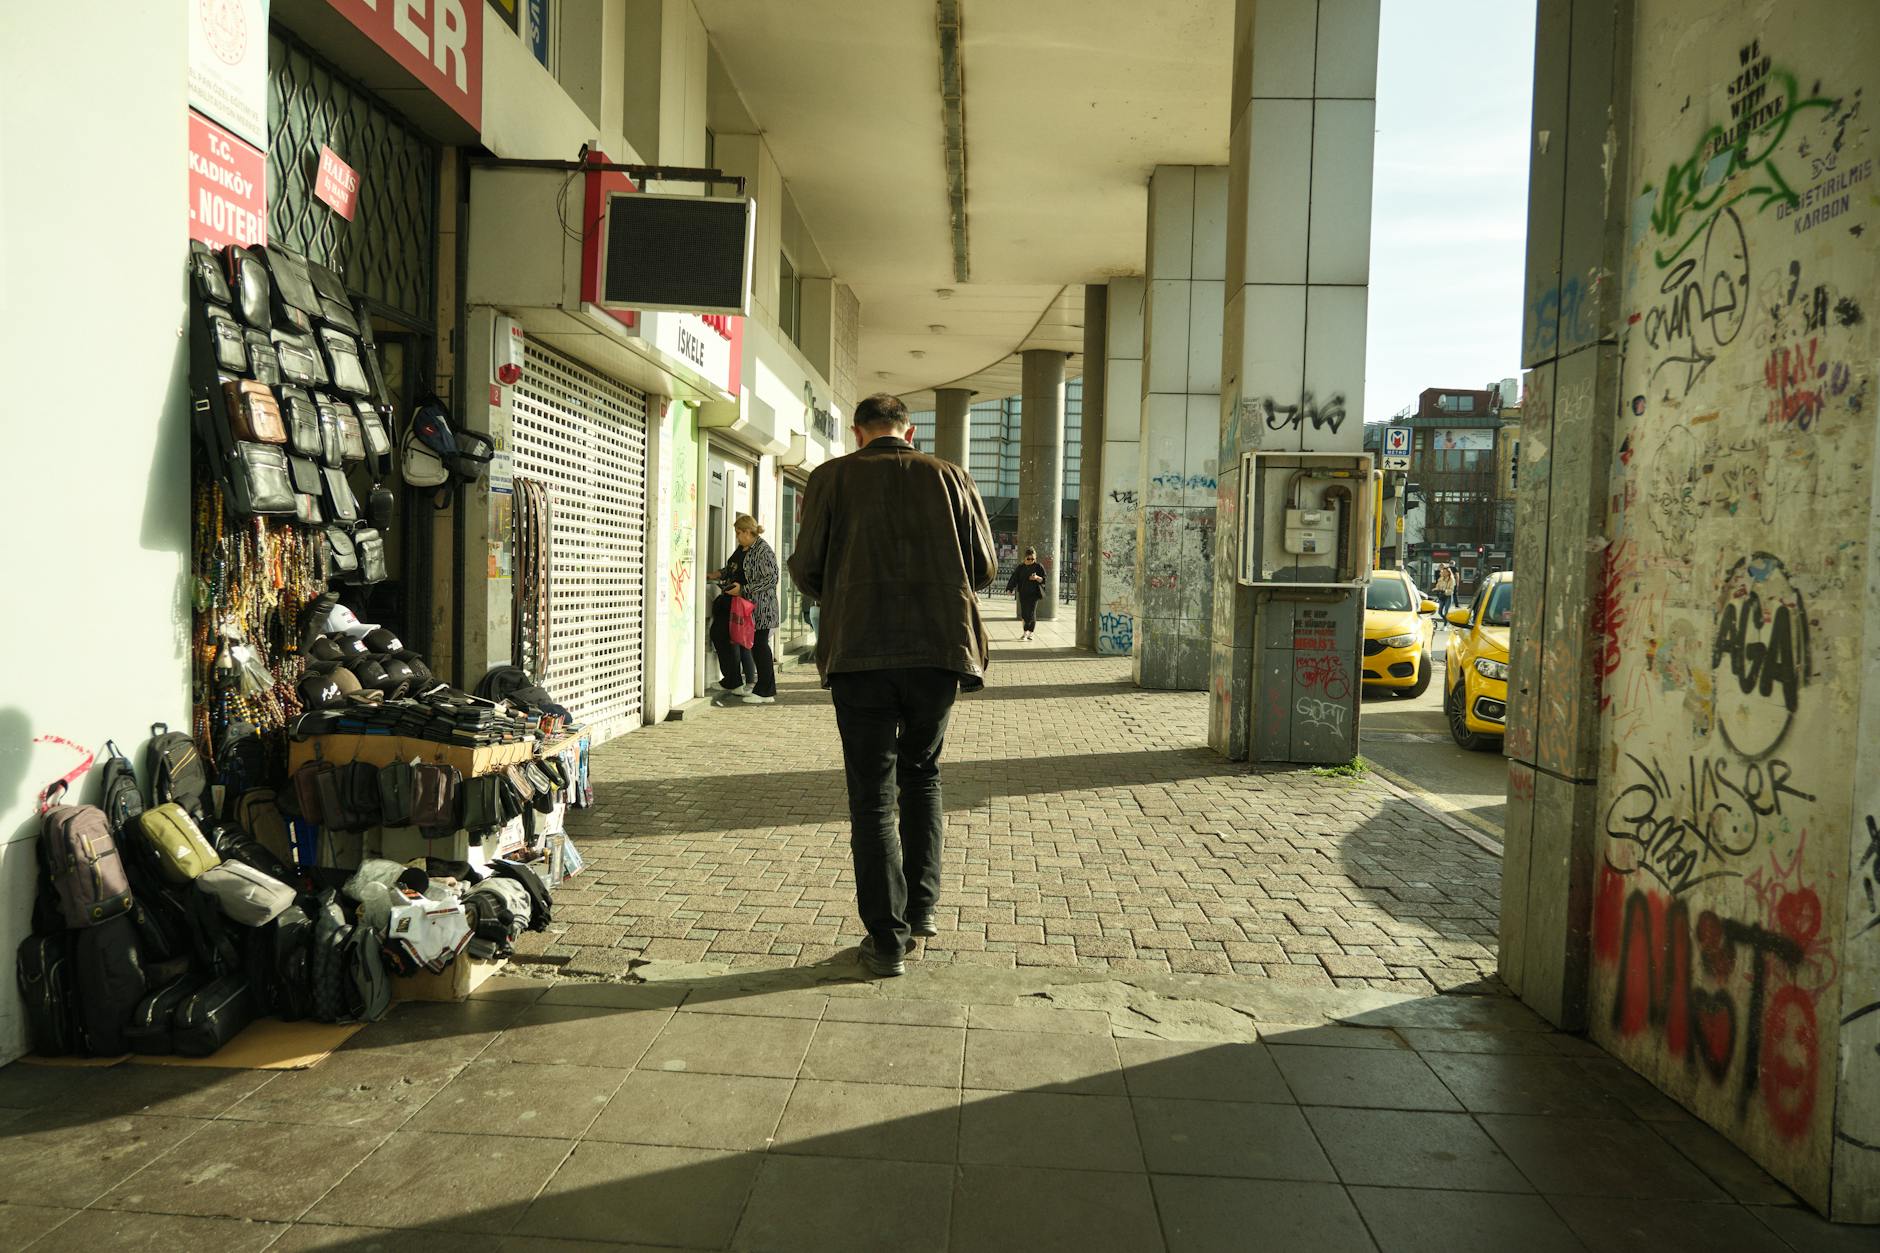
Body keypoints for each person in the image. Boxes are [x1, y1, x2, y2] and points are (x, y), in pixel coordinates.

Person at [787, 392, 995, 977]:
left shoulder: (831, 478)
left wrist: (846, 586)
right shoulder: (949, 476)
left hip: (860, 652)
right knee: (922, 775)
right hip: (938, 650)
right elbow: (982, 567)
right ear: (909, 431)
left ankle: (886, 941)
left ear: (858, 432)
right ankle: (922, 910)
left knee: (872, 796)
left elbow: (806, 569)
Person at [725, 516, 780, 704]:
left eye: (739, 533)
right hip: (755, 607)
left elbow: (772, 578)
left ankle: (765, 691)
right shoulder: (750, 549)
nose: (738, 537)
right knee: (758, 646)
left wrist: (744, 589)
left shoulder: (763, 551)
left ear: (748, 532)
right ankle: (764, 689)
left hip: (763, 607)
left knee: (760, 647)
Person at [705, 553, 758, 695]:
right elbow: (729, 570)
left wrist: (740, 589)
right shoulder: (742, 551)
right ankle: (741, 681)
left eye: (740, 532)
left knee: (729, 638)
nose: (738, 536)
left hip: (736, 601)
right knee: (738, 640)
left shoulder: (755, 554)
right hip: (736, 601)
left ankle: (733, 681)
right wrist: (716, 575)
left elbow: (759, 580)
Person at [1006, 546, 1048, 640]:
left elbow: (1044, 579)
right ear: (1025, 558)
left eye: (1033, 559)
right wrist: (1010, 589)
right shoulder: (1020, 567)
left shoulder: (1038, 566)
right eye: (1028, 559)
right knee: (1024, 613)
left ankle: (1031, 632)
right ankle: (1025, 632)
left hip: (1034, 594)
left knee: (1032, 613)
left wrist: (1036, 577)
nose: (1030, 560)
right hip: (1023, 593)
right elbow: (1014, 578)